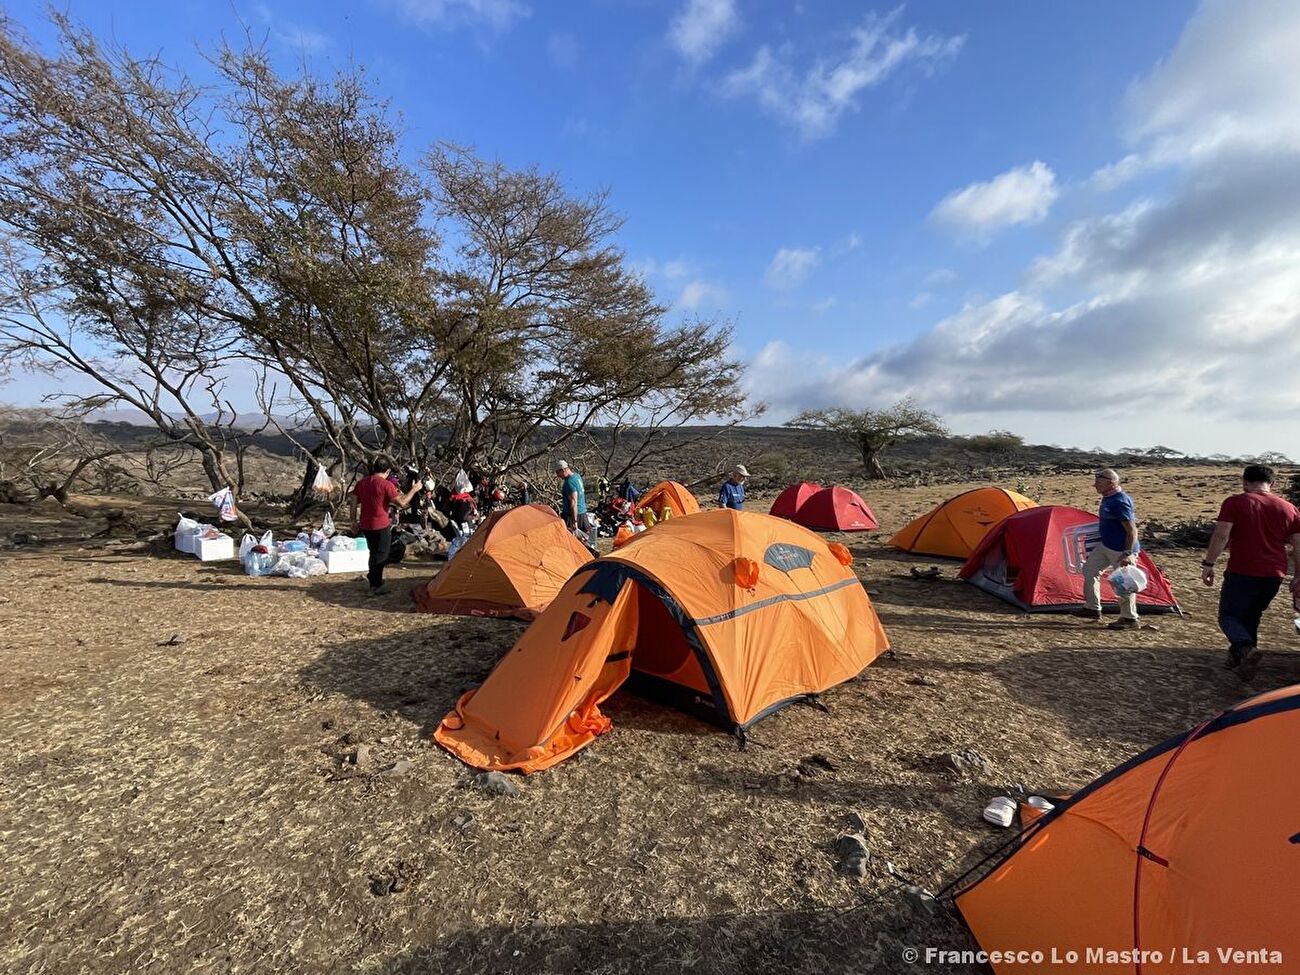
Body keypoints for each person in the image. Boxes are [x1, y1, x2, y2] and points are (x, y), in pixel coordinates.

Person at [1200, 464, 1300, 680]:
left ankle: (1245, 648)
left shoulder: (1235, 502)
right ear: (1272, 483)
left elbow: (1221, 535)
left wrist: (1209, 563)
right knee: (1252, 614)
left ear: (1245, 482)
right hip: (1274, 573)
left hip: (1243, 569)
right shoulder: (1289, 508)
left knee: (1228, 616)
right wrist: (1298, 575)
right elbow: (1298, 545)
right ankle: (1240, 658)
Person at [1073, 468, 1141, 629]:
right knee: (1090, 570)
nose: (1095, 484)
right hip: (1106, 546)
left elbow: (1132, 530)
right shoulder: (1108, 498)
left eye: (1099, 481)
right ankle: (1092, 608)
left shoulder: (1119, 501)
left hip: (1121, 550)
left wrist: (1127, 553)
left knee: (1123, 582)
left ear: (1111, 483)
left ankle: (1130, 618)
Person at [349, 455, 422, 596]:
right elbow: (402, 503)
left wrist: (353, 520)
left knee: (373, 553)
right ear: (387, 471)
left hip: (366, 524)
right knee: (382, 554)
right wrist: (414, 490)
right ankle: (375, 585)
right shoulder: (386, 485)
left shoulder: (362, 483)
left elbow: (353, 499)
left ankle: (373, 580)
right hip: (381, 524)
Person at [555, 459, 589, 532]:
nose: (557, 475)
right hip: (582, 512)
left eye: (557, 472)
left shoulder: (569, 482)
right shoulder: (577, 476)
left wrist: (574, 521)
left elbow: (574, 502)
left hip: (573, 516)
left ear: (563, 470)